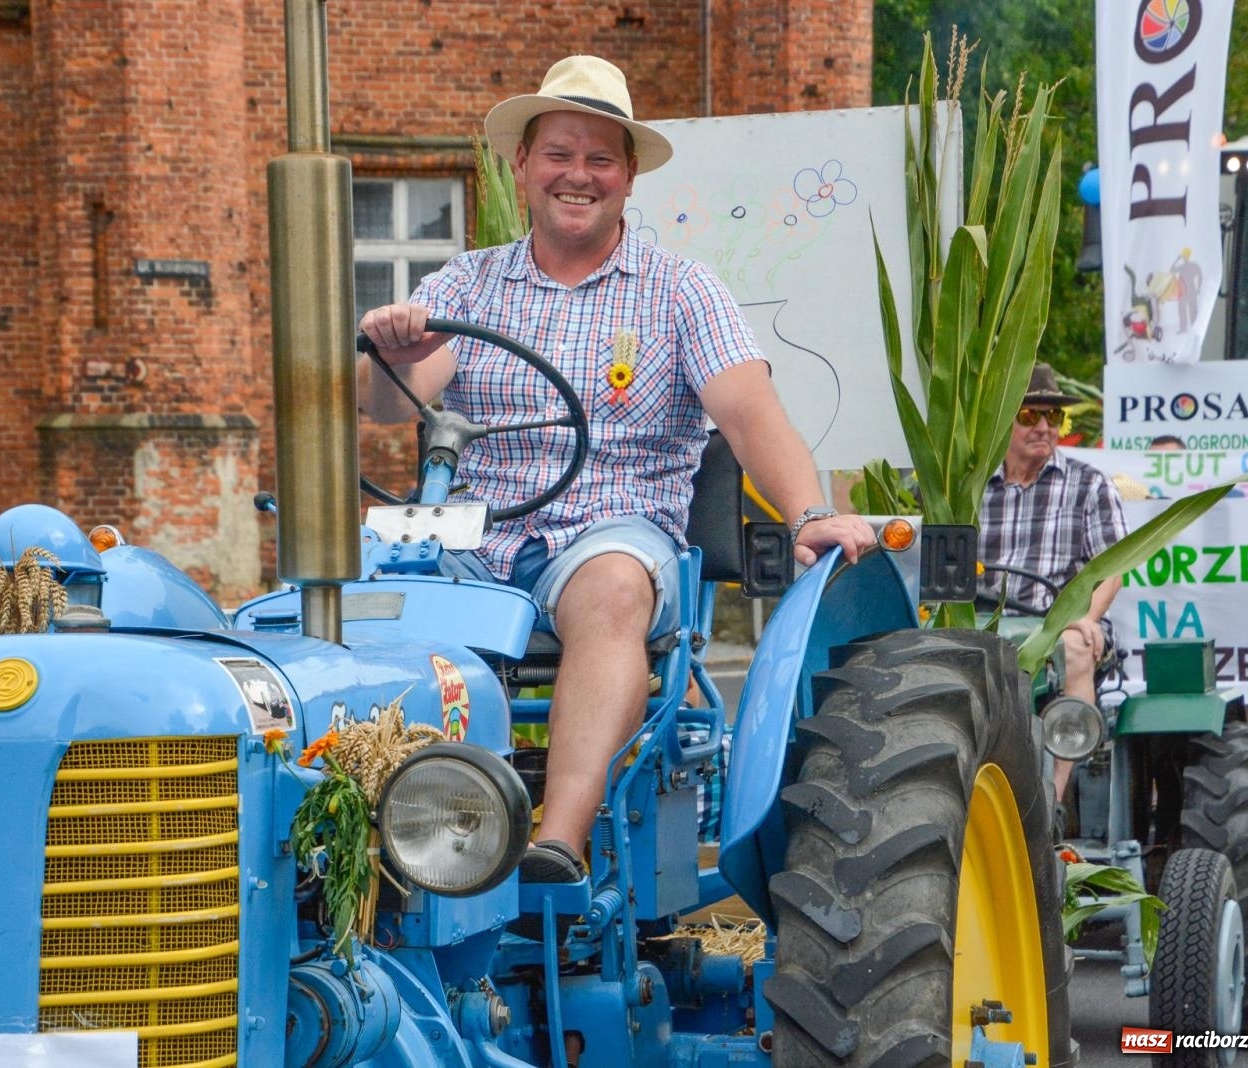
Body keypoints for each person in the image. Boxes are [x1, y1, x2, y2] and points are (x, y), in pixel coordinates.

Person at [358, 55, 875, 883]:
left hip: (611, 534)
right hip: (478, 537)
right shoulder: (468, 282)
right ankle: (380, 839)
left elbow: (748, 413)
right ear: (522, 165)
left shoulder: (680, 291)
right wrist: (394, 351)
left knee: (612, 587)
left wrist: (808, 513)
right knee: (361, 587)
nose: (578, 175)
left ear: (629, 176)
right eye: (559, 154)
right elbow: (389, 404)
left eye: (601, 159)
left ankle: (554, 840)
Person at [978, 365, 1127, 804]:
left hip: (1053, 621)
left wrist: (1086, 617)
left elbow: (1112, 569)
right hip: (985, 620)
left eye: (1053, 417)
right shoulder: (972, 489)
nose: (1044, 427)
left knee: (1077, 645)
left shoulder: (1088, 483)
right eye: (1030, 416)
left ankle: (1051, 804)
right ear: (1004, 421)